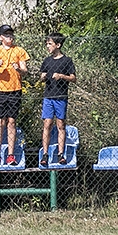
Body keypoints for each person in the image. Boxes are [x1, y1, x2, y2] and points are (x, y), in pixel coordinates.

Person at [0, 24, 29, 167]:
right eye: (6, 34)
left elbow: (25, 70)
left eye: (11, 34)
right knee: (0, 122)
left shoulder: (19, 50)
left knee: (11, 121)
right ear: (0, 38)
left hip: (15, 89)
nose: (9, 37)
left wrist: (19, 69)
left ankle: (11, 155)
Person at [39, 33, 76, 167]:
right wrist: (43, 77)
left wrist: (62, 76)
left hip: (61, 97)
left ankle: (61, 154)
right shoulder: (47, 61)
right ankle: (45, 154)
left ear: (58, 45)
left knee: (61, 125)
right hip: (48, 97)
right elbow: (42, 75)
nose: (47, 46)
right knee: (47, 124)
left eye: (50, 43)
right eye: (47, 43)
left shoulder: (67, 61)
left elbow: (73, 78)